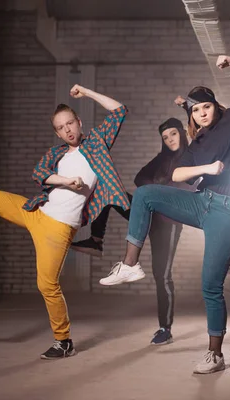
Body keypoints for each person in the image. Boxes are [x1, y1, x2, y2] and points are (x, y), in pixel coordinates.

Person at [99, 55, 230, 374]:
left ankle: (215, 354)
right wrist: (207, 168)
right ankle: (129, 265)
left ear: (214, 105)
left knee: (210, 285)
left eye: (205, 106)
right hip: (201, 202)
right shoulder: (199, 141)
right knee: (146, 194)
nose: (201, 112)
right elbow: (179, 174)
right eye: (195, 109)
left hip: (229, 210)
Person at [0, 85, 129, 359]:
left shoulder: (97, 143)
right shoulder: (55, 155)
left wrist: (87, 93)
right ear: (56, 133)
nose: (67, 130)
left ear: (79, 123)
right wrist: (66, 180)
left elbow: (119, 110)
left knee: (47, 285)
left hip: (58, 228)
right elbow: (40, 174)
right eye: (61, 127)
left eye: (70, 123)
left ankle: (64, 341)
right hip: (37, 211)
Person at [72, 117, 191, 345]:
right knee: (108, 193)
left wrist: (161, 185)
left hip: (169, 222)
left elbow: (187, 184)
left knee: (162, 275)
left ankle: (164, 328)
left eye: (173, 134)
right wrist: (158, 185)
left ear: (182, 133)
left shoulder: (190, 156)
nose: (169, 140)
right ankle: (96, 241)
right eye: (165, 137)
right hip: (147, 212)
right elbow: (139, 177)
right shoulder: (161, 158)